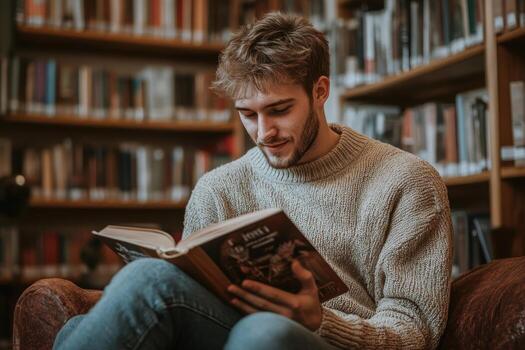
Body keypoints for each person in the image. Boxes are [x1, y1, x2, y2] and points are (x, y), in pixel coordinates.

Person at [54, 12, 452, 350]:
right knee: (146, 279)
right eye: (248, 114)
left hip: (324, 340)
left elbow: (415, 332)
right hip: (228, 333)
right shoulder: (220, 187)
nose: (264, 132)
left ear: (320, 91)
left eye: (279, 110)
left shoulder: (406, 182)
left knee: (264, 332)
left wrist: (321, 322)